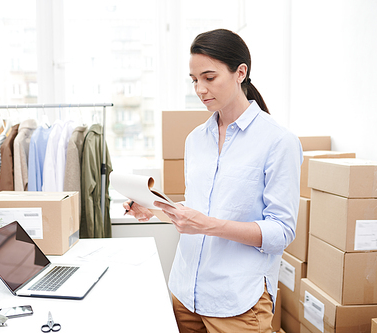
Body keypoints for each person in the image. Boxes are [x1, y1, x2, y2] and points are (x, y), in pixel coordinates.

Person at [124, 28, 302, 332]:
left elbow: (281, 231)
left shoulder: (278, 142)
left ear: (240, 73)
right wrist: (152, 210)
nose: (200, 89)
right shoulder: (196, 140)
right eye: (194, 80)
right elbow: (199, 211)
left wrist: (207, 224)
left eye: (209, 78)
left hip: (237, 300)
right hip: (185, 292)